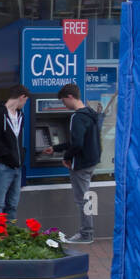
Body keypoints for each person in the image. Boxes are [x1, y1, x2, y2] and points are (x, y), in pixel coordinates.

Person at [59, 82, 102, 244]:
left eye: (63, 101)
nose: (64, 105)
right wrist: (56, 147)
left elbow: (76, 143)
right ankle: (88, 232)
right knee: (87, 197)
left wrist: (66, 157)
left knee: (82, 199)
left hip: (81, 164)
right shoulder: (91, 113)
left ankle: (86, 233)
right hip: (91, 162)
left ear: (70, 97)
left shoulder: (77, 117)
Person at [0, 84, 30, 219]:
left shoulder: (20, 116)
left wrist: (20, 157)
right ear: (21, 97)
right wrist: (8, 155)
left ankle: (9, 236)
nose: (24, 104)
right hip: (2, 165)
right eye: (25, 101)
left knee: (12, 204)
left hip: (16, 166)